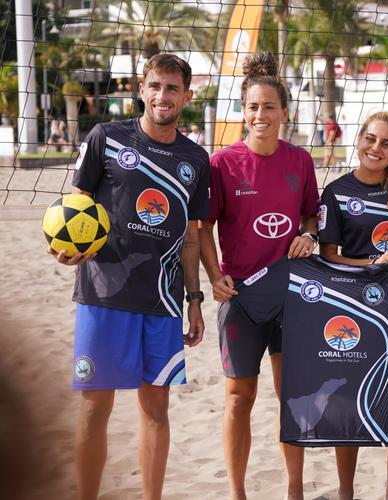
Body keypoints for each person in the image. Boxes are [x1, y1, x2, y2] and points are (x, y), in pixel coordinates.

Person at [47, 53, 211, 500]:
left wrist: (195, 299)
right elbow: (76, 207)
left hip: (162, 299)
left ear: (186, 97)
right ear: (141, 89)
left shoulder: (195, 158)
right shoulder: (106, 137)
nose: (163, 95)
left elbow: (192, 237)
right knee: (95, 407)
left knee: (156, 408)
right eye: (155, 85)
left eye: (172, 88)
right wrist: (67, 247)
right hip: (104, 293)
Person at [198, 51, 319, 500]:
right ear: (243, 111)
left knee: (293, 396)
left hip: (291, 298)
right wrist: (214, 275)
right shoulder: (222, 164)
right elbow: (203, 228)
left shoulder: (300, 161)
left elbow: (311, 215)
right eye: (252, 107)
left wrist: (308, 235)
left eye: (269, 106)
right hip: (242, 299)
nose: (260, 115)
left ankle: (294, 490)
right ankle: (237, 492)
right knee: (238, 398)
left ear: (284, 111)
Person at [318, 111, 388, 500]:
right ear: (359, 138)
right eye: (370, 138)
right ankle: (346, 492)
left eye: (386, 144)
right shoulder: (336, 192)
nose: (376, 148)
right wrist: (371, 264)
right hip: (357, 309)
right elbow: (328, 256)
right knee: (348, 403)